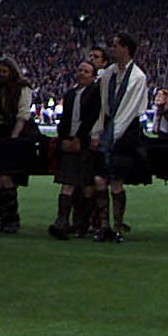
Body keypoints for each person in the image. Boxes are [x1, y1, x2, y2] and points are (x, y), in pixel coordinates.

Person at [90, 33, 148, 242]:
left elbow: (128, 111)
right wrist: (98, 132)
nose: (111, 49)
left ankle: (116, 227)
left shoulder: (137, 77)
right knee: (99, 179)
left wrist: (110, 136)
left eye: (115, 45)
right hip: (108, 128)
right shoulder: (109, 74)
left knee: (115, 180)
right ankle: (104, 225)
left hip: (124, 133)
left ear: (126, 48)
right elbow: (103, 107)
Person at [47, 59, 100, 240]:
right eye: (80, 70)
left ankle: (82, 224)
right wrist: (64, 140)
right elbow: (64, 121)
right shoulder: (70, 94)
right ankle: (62, 221)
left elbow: (91, 118)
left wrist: (79, 139)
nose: (81, 74)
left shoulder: (95, 94)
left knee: (86, 184)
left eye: (86, 71)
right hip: (69, 142)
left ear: (93, 76)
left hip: (85, 143)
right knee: (67, 182)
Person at [0, 57, 35, 234]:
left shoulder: (22, 88)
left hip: (12, 134)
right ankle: (3, 218)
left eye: (5, 71)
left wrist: (13, 138)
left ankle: (12, 219)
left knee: (7, 176)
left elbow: (22, 115)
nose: (1, 75)